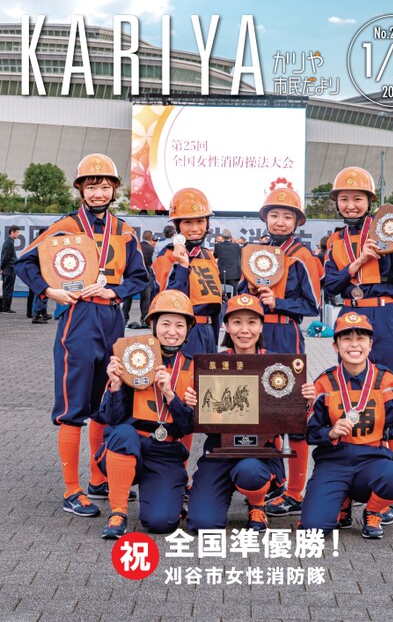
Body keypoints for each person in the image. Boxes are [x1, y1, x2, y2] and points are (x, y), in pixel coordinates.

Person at [15, 153, 148, 517]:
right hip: (78, 318)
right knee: (72, 408)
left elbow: (140, 277)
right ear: (80, 190)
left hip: (112, 320)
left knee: (107, 402)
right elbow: (25, 261)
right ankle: (72, 490)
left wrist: (115, 292)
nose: (98, 193)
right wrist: (49, 291)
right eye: (91, 186)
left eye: (105, 186)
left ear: (114, 190)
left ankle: (98, 479)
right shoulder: (66, 226)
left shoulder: (125, 231)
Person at [323, 166, 393, 525]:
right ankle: (346, 484)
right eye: (344, 199)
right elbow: (330, 286)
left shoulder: (390, 229)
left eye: (358, 198)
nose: (351, 205)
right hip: (350, 315)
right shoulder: (334, 240)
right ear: (337, 202)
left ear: (370, 201)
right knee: (346, 393)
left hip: (385, 316)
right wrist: (359, 262)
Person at [299, 312, 393, 539]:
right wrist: (330, 432)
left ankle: (373, 511)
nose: (354, 344)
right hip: (333, 462)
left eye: (361, 338)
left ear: (370, 344)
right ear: (335, 346)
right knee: (312, 529)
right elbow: (309, 433)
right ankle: (341, 502)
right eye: (346, 338)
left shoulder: (387, 380)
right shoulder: (324, 382)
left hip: (373, 460)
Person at [238, 180, 321, 518]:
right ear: (265, 218)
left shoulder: (302, 256)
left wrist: (278, 302)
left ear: (297, 221)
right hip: (255, 335)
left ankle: (296, 492)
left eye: (288, 216)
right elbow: (240, 293)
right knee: (259, 410)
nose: (280, 222)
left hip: (286, 333)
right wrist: (249, 292)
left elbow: (312, 306)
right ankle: (271, 480)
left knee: (291, 413)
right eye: (274, 215)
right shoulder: (254, 251)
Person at [96, 290, 196, 538]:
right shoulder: (132, 356)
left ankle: (167, 496)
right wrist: (116, 386)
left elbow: (188, 427)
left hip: (166, 451)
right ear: (153, 325)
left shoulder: (193, 367)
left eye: (179, 325)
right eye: (165, 324)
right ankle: (118, 512)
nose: (172, 331)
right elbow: (112, 419)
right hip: (133, 444)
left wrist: (170, 395)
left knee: (162, 523)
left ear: (187, 330)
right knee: (123, 433)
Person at [187, 294, 287, 533]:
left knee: (250, 472)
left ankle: (257, 505)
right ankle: (217, 490)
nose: (244, 330)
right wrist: (191, 404)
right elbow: (197, 418)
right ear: (226, 326)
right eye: (237, 322)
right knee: (203, 524)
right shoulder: (212, 365)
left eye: (252, 322)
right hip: (219, 451)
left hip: (260, 452)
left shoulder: (278, 365)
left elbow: (292, 418)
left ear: (261, 326)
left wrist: (304, 402)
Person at [152, 188, 222, 357]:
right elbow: (166, 302)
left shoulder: (208, 256)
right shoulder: (166, 257)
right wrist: (182, 267)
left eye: (200, 221)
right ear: (177, 226)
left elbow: (215, 304)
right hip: (184, 333)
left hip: (208, 331)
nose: (195, 228)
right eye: (188, 222)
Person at [122, 229, 156, 327]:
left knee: (128, 298)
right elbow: (153, 263)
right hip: (145, 275)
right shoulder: (151, 249)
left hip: (131, 275)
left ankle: (124, 319)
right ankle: (144, 319)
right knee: (145, 299)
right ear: (150, 238)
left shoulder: (135, 247)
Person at [213, 228, 242, 295]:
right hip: (234, 275)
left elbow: (215, 256)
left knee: (220, 293)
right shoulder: (236, 246)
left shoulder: (218, 246)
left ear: (222, 237)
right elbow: (242, 253)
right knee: (233, 294)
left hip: (221, 274)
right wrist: (236, 241)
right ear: (231, 237)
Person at [1, 225, 20, 313]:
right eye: (17, 232)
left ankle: (4, 307)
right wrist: (1, 267)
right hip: (9, 269)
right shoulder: (9, 243)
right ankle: (6, 307)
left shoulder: (8, 241)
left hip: (8, 268)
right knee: (8, 288)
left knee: (6, 288)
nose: (18, 234)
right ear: (12, 232)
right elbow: (6, 256)